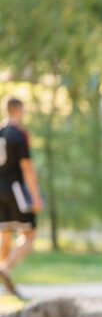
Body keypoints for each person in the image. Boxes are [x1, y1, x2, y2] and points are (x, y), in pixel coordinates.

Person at [0, 97, 44, 299]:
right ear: (18, 110)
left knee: (5, 232)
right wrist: (35, 197)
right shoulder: (19, 136)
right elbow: (27, 168)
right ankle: (5, 269)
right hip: (15, 189)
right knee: (29, 233)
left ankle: (5, 281)